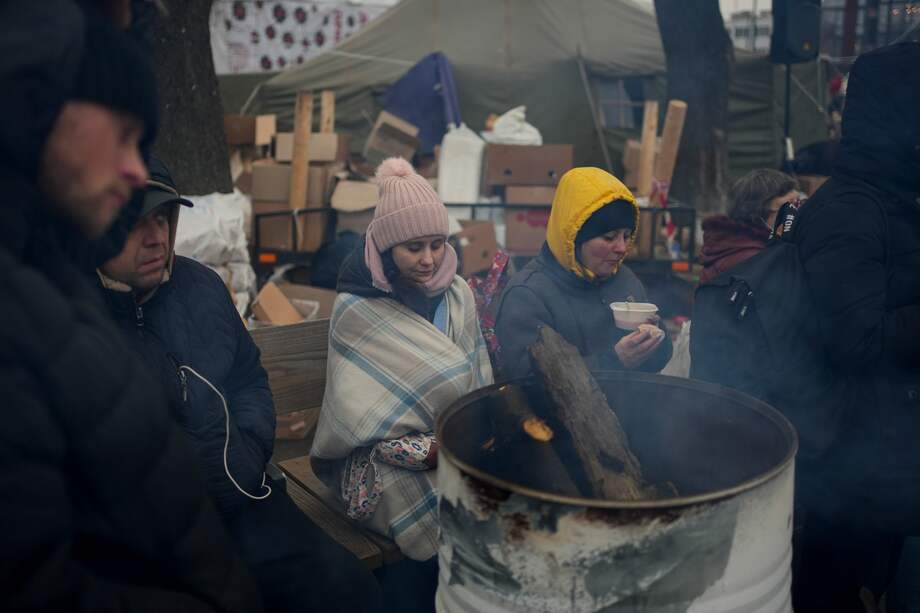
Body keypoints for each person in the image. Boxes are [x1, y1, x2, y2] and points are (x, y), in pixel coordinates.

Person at [0, 2, 261, 611]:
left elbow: (247, 380)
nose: (134, 167)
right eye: (123, 133)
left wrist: (243, 454)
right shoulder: (31, 311)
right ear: (44, 104)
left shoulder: (50, 281)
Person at [94, 158, 386, 612]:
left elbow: (249, 379)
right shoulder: (69, 318)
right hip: (152, 544)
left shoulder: (201, 287)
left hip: (247, 499)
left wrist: (247, 452)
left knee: (350, 593)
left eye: (161, 218)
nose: (155, 237)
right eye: (134, 222)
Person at [310, 157, 493, 610]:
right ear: (388, 247)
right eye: (414, 247)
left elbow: (479, 385)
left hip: (455, 447)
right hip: (378, 458)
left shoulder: (459, 296)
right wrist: (425, 451)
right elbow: (355, 422)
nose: (429, 259)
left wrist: (461, 444)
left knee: (493, 500)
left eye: (437, 243)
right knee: (436, 509)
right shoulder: (358, 310)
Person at [791, 41, 920, 612]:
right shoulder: (850, 211)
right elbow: (858, 340)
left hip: (885, 471)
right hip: (846, 486)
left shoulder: (894, 202)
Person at [495, 167, 672, 380]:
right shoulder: (528, 295)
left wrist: (655, 339)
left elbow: (654, 364)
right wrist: (614, 361)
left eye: (626, 236)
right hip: (556, 414)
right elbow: (525, 383)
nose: (622, 248)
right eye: (609, 237)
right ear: (574, 238)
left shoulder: (625, 281)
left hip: (629, 409)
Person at [699, 169, 800, 284]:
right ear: (758, 212)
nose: (794, 215)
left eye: (798, 205)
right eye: (789, 208)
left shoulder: (734, 246)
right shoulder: (754, 259)